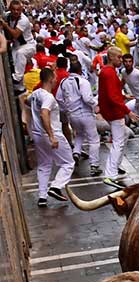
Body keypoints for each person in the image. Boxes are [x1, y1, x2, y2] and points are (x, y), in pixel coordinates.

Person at [27, 68, 75, 207]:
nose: (56, 80)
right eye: (54, 78)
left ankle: (42, 196)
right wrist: (51, 136)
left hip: (37, 135)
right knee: (68, 163)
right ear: (49, 79)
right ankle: (56, 187)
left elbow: (26, 101)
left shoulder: (35, 94)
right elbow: (44, 113)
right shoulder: (48, 97)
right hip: (52, 134)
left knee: (44, 164)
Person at [98, 47, 139, 189]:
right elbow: (112, 96)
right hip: (114, 112)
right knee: (118, 142)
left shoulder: (106, 71)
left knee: (123, 137)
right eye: (119, 57)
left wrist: (124, 97)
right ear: (111, 57)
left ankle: (116, 166)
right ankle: (110, 174)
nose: (121, 60)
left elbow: (110, 93)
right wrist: (128, 111)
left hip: (110, 111)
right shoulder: (109, 73)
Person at [55, 61, 101, 176]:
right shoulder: (83, 82)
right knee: (93, 139)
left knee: (79, 134)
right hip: (85, 114)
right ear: (80, 70)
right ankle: (94, 165)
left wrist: (67, 108)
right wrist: (96, 103)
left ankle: (76, 152)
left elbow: (58, 98)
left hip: (72, 115)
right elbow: (87, 99)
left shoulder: (63, 82)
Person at [1, 0, 35, 92]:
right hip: (16, 45)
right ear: (10, 9)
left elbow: (16, 34)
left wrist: (5, 25)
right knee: (15, 63)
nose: (16, 12)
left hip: (28, 45)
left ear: (21, 10)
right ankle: (20, 88)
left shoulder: (23, 20)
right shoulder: (7, 15)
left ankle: (17, 79)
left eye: (18, 10)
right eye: (14, 10)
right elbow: (2, 18)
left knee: (21, 54)